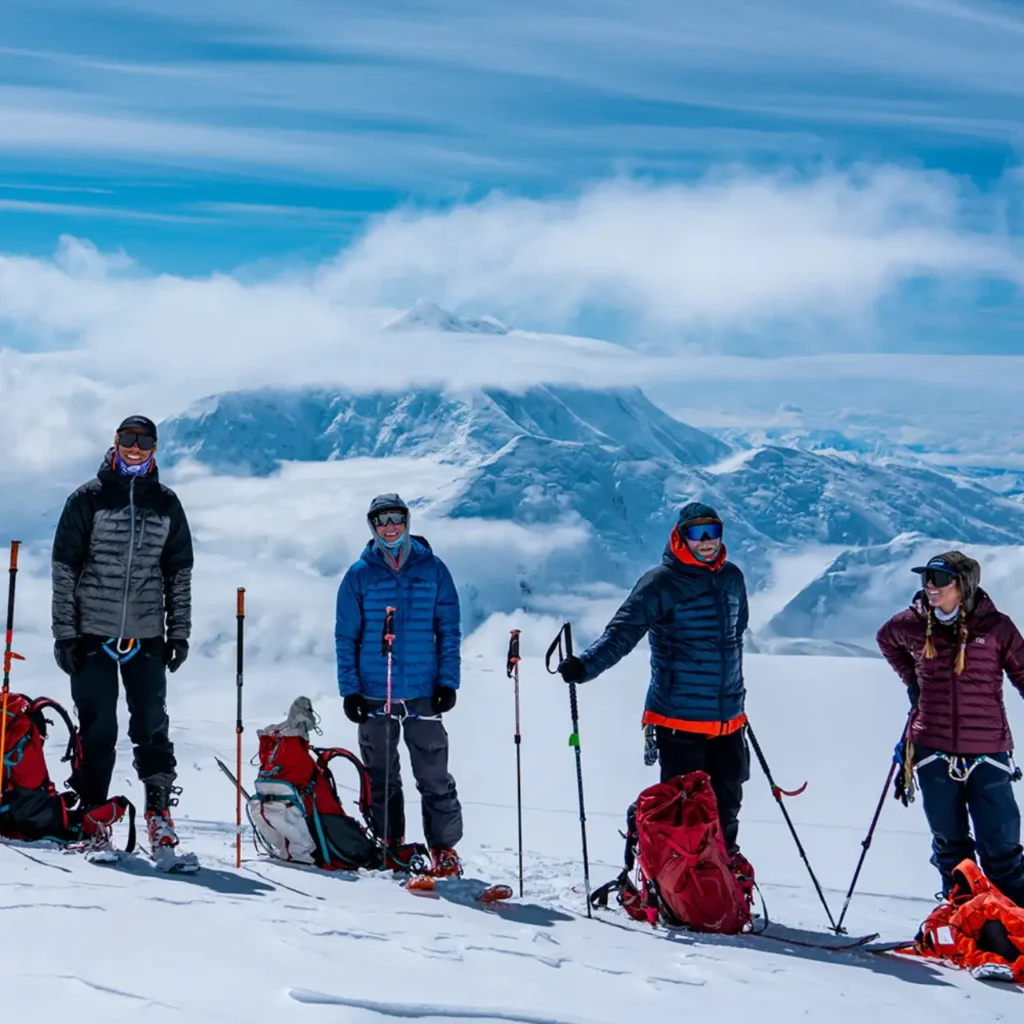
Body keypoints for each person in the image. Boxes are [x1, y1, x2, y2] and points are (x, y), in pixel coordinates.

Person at [558, 501, 750, 852]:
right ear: (681, 537)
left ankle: (723, 883)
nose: (707, 541)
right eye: (697, 533)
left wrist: (735, 695)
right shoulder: (660, 583)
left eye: (713, 532)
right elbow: (622, 633)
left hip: (729, 720)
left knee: (727, 807)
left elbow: (734, 638)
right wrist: (585, 666)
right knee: (683, 812)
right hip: (680, 718)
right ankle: (672, 887)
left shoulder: (732, 578)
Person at [51, 415, 194, 862]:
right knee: (99, 728)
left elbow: (178, 574)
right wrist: (65, 634)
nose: (135, 448)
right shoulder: (87, 499)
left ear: (154, 448)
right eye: (128, 439)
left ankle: (159, 816)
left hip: (148, 632)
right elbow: (64, 571)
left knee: (151, 724)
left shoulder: (167, 504)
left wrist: (179, 632)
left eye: (144, 441)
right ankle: (94, 817)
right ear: (115, 442)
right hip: (92, 630)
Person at [877, 552, 1024, 905]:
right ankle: (962, 918)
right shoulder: (911, 624)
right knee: (950, 845)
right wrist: (912, 681)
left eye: (940, 579)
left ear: (963, 585)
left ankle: (1015, 923)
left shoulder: (995, 627)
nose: (930, 586)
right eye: (927, 578)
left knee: (1001, 846)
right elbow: (886, 640)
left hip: (987, 750)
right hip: (931, 748)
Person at [335, 493, 464, 876]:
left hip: (423, 690)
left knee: (433, 774)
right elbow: (346, 636)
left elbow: (449, 630)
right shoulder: (359, 574)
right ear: (372, 526)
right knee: (381, 774)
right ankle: (387, 841)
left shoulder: (434, 569)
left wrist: (448, 681)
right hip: (375, 689)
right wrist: (350, 690)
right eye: (381, 520)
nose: (390, 527)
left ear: (407, 521)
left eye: (396, 519)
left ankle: (443, 848)